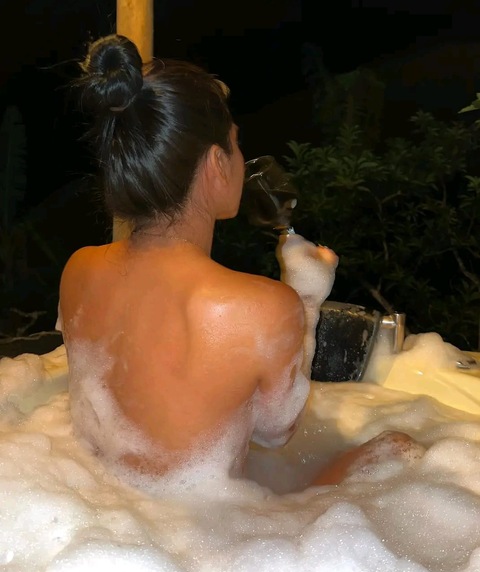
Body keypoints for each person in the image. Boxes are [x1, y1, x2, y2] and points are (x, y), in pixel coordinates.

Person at [58, 34, 424, 491]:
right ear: (216, 163)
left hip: (92, 501)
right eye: (235, 143)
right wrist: (305, 298)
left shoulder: (79, 269)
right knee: (400, 447)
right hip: (208, 527)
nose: (240, 158)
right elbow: (275, 433)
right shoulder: (259, 307)